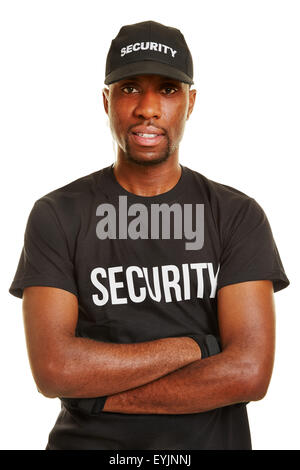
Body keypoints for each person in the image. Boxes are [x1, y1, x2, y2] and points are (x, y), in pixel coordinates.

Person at [9, 20, 289, 450]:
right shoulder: (58, 215)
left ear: (191, 103)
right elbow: (54, 368)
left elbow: (248, 373)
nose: (148, 108)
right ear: (106, 101)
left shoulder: (236, 215)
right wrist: (196, 347)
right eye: (130, 88)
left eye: (168, 89)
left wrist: (100, 397)